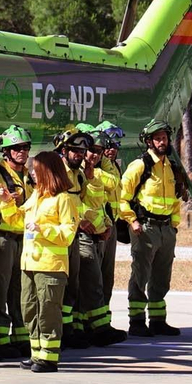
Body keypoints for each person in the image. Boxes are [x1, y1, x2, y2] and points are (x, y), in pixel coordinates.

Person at [120, 118, 189, 337]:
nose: (162, 142)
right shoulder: (140, 166)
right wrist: (133, 221)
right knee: (140, 275)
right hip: (145, 228)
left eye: (164, 138)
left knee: (162, 276)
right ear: (149, 142)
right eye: (157, 138)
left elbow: (175, 199)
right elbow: (121, 198)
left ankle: (158, 320)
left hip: (166, 229)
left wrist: (174, 226)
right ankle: (137, 321)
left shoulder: (171, 167)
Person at [17, 150, 79, 372]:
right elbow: (18, 220)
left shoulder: (63, 199)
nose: (32, 174)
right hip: (29, 263)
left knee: (48, 311)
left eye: (36, 170)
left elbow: (68, 234)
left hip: (50, 265)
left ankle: (49, 357)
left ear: (48, 172)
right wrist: (6, 204)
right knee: (29, 308)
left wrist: (43, 229)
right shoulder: (35, 196)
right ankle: (36, 353)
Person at [0, 125, 32, 360]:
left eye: (25, 147)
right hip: (3, 238)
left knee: (20, 290)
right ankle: (0, 340)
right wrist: (6, 201)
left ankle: (21, 337)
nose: (22, 152)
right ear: (6, 151)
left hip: (23, 238)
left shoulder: (29, 176)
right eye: (16, 148)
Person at [77, 126, 126, 346]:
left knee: (104, 280)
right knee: (89, 281)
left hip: (104, 230)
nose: (95, 155)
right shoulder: (76, 170)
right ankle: (92, 327)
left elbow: (108, 192)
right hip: (82, 232)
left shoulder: (103, 168)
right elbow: (72, 200)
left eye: (100, 150)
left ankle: (98, 324)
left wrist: (107, 225)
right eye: (91, 150)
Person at [53, 128, 97, 348]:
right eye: (74, 150)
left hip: (73, 237)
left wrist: (90, 176)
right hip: (57, 239)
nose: (79, 155)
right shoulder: (54, 173)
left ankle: (67, 330)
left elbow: (87, 202)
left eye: (82, 151)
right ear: (63, 150)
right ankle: (55, 332)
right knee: (57, 287)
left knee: (72, 286)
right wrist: (77, 221)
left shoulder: (79, 174)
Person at [94, 123, 129, 333]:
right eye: (108, 145)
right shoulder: (95, 169)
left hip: (111, 225)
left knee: (107, 278)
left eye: (116, 145)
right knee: (94, 279)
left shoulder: (113, 166)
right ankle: (93, 325)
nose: (112, 149)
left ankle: (104, 321)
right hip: (97, 228)